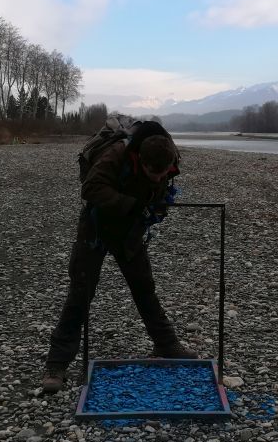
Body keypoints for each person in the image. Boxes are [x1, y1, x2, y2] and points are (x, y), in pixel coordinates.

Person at [43, 121, 197, 393]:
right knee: (81, 293)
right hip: (96, 226)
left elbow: (159, 192)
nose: (159, 178)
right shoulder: (115, 155)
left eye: (163, 174)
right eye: (154, 173)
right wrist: (132, 205)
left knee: (144, 287)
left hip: (130, 230)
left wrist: (156, 208)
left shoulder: (167, 158)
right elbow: (90, 189)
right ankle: (57, 364)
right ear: (140, 159)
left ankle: (166, 344)